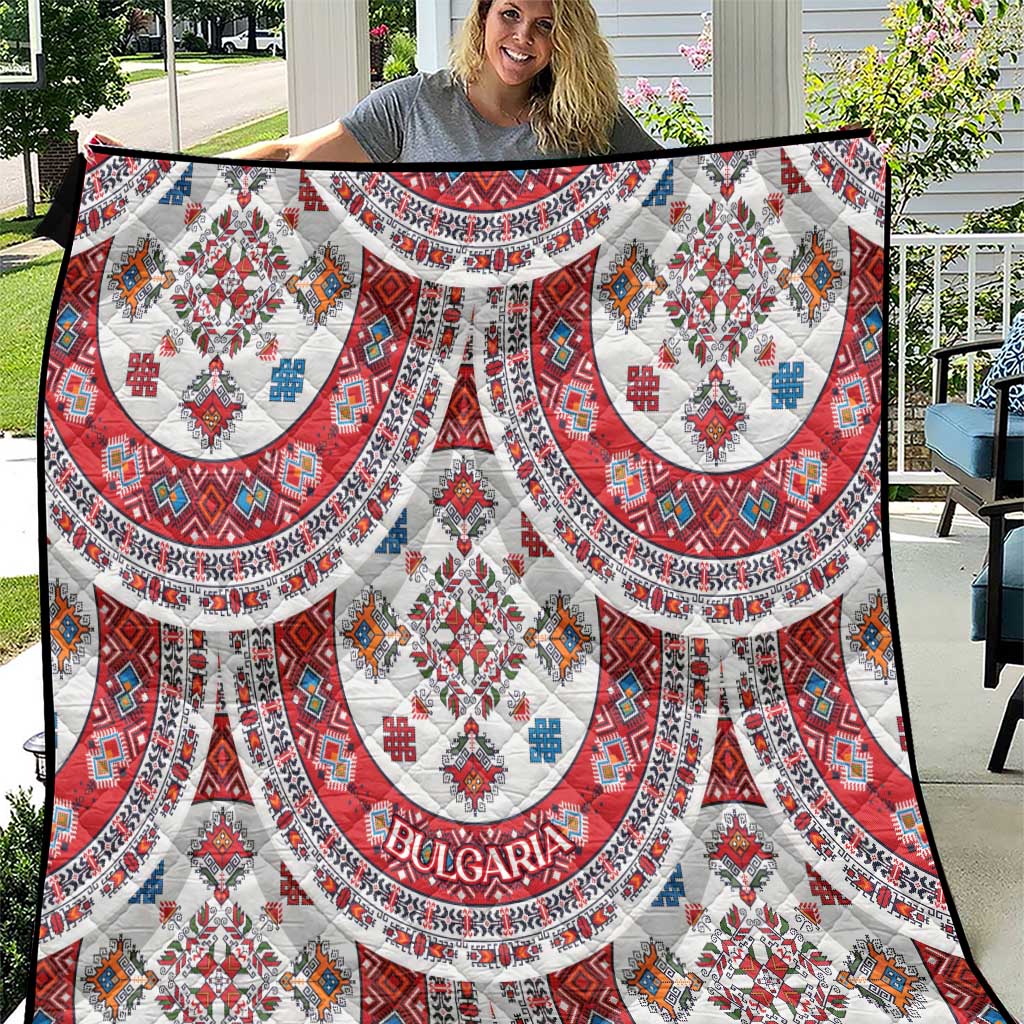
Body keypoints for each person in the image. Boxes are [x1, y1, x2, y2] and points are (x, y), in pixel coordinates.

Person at [92, 0, 660, 163]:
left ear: (564, 40)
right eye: (510, 14)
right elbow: (295, 153)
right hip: (424, 340)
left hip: (545, 349)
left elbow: (682, 187)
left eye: (544, 25)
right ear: (483, 17)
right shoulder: (414, 104)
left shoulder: (588, 117)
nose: (522, 37)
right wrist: (153, 167)